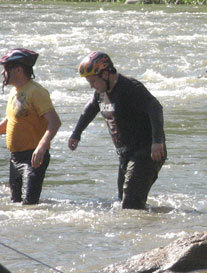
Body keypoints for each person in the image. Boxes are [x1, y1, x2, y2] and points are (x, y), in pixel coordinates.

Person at [68, 52, 166, 209]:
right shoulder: (101, 92)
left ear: (106, 74)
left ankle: (141, 229)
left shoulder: (130, 87)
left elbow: (155, 108)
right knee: (123, 201)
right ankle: (146, 226)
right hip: (126, 153)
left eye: (93, 80)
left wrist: (157, 141)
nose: (91, 85)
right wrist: (76, 134)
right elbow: (90, 109)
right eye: (89, 81)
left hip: (146, 152)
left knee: (131, 203)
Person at [0, 49, 60, 204]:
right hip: (15, 158)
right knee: (15, 204)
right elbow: (12, 120)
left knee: (29, 205)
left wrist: (41, 147)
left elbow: (55, 122)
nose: (2, 73)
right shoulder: (15, 91)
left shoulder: (36, 92)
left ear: (19, 70)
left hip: (32, 158)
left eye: (6, 69)